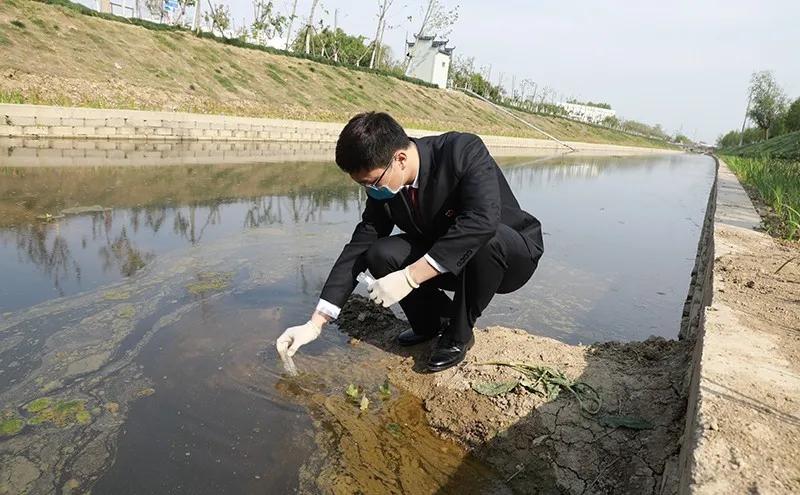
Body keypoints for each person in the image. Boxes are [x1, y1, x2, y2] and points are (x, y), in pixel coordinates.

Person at [276, 112, 543, 372]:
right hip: (446, 258)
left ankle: (458, 334)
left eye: (373, 183)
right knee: (379, 253)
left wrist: (410, 277)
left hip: (506, 257)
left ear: (400, 159)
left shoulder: (461, 150)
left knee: (486, 236)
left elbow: (482, 220)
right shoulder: (386, 186)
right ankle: (432, 322)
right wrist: (316, 323)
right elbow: (359, 245)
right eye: (364, 186)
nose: (371, 191)